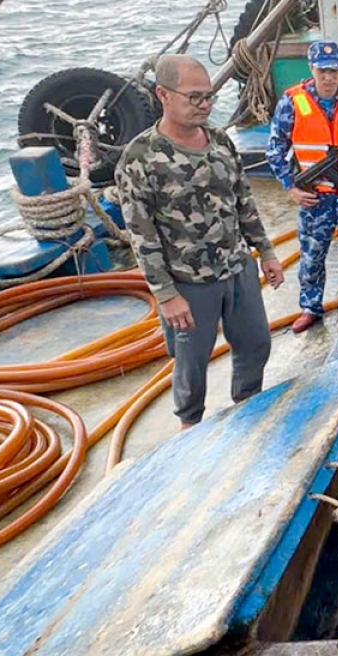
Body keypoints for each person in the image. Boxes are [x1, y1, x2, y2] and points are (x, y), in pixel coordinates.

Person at [116, 54, 284, 430]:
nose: (204, 105)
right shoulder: (140, 159)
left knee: (256, 343)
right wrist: (165, 294)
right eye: (194, 97)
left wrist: (266, 252)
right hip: (189, 282)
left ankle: (248, 409)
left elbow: (243, 200)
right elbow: (142, 235)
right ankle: (189, 426)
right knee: (191, 363)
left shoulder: (220, 140)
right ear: (163, 94)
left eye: (209, 96)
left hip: (237, 268)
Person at [265, 41, 338, 333]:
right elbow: (275, 150)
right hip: (315, 198)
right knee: (312, 256)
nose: (329, 78)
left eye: (334, 71)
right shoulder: (292, 102)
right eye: (322, 71)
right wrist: (291, 188)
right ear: (311, 69)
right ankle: (310, 308)